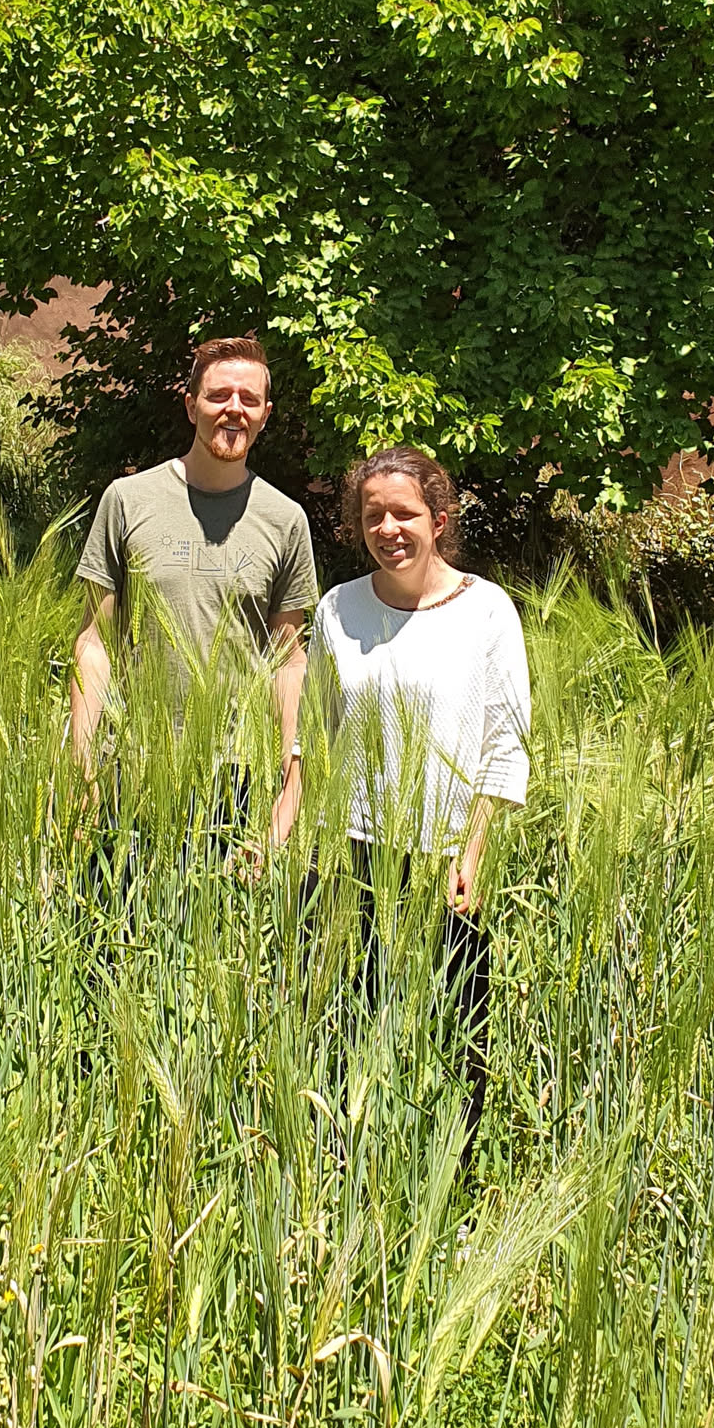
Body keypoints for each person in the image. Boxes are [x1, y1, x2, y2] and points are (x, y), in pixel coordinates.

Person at [284, 445, 531, 1127]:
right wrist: (287, 826)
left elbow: (504, 745)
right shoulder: (338, 608)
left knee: (450, 1049)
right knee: (337, 1041)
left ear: (438, 520)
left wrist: (473, 853)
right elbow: (314, 732)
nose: (388, 528)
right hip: (347, 859)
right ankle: (338, 1171)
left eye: (404, 513)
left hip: (444, 864)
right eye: (373, 516)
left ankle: (445, 1177)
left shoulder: (487, 611)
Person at [70, 335, 317, 824]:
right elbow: (94, 642)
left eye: (249, 400)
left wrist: (291, 782)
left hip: (239, 777)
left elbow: (288, 660)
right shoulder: (127, 500)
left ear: (265, 415)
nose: (234, 409)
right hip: (132, 763)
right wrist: (83, 768)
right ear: (190, 406)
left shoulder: (285, 519)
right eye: (218, 395)